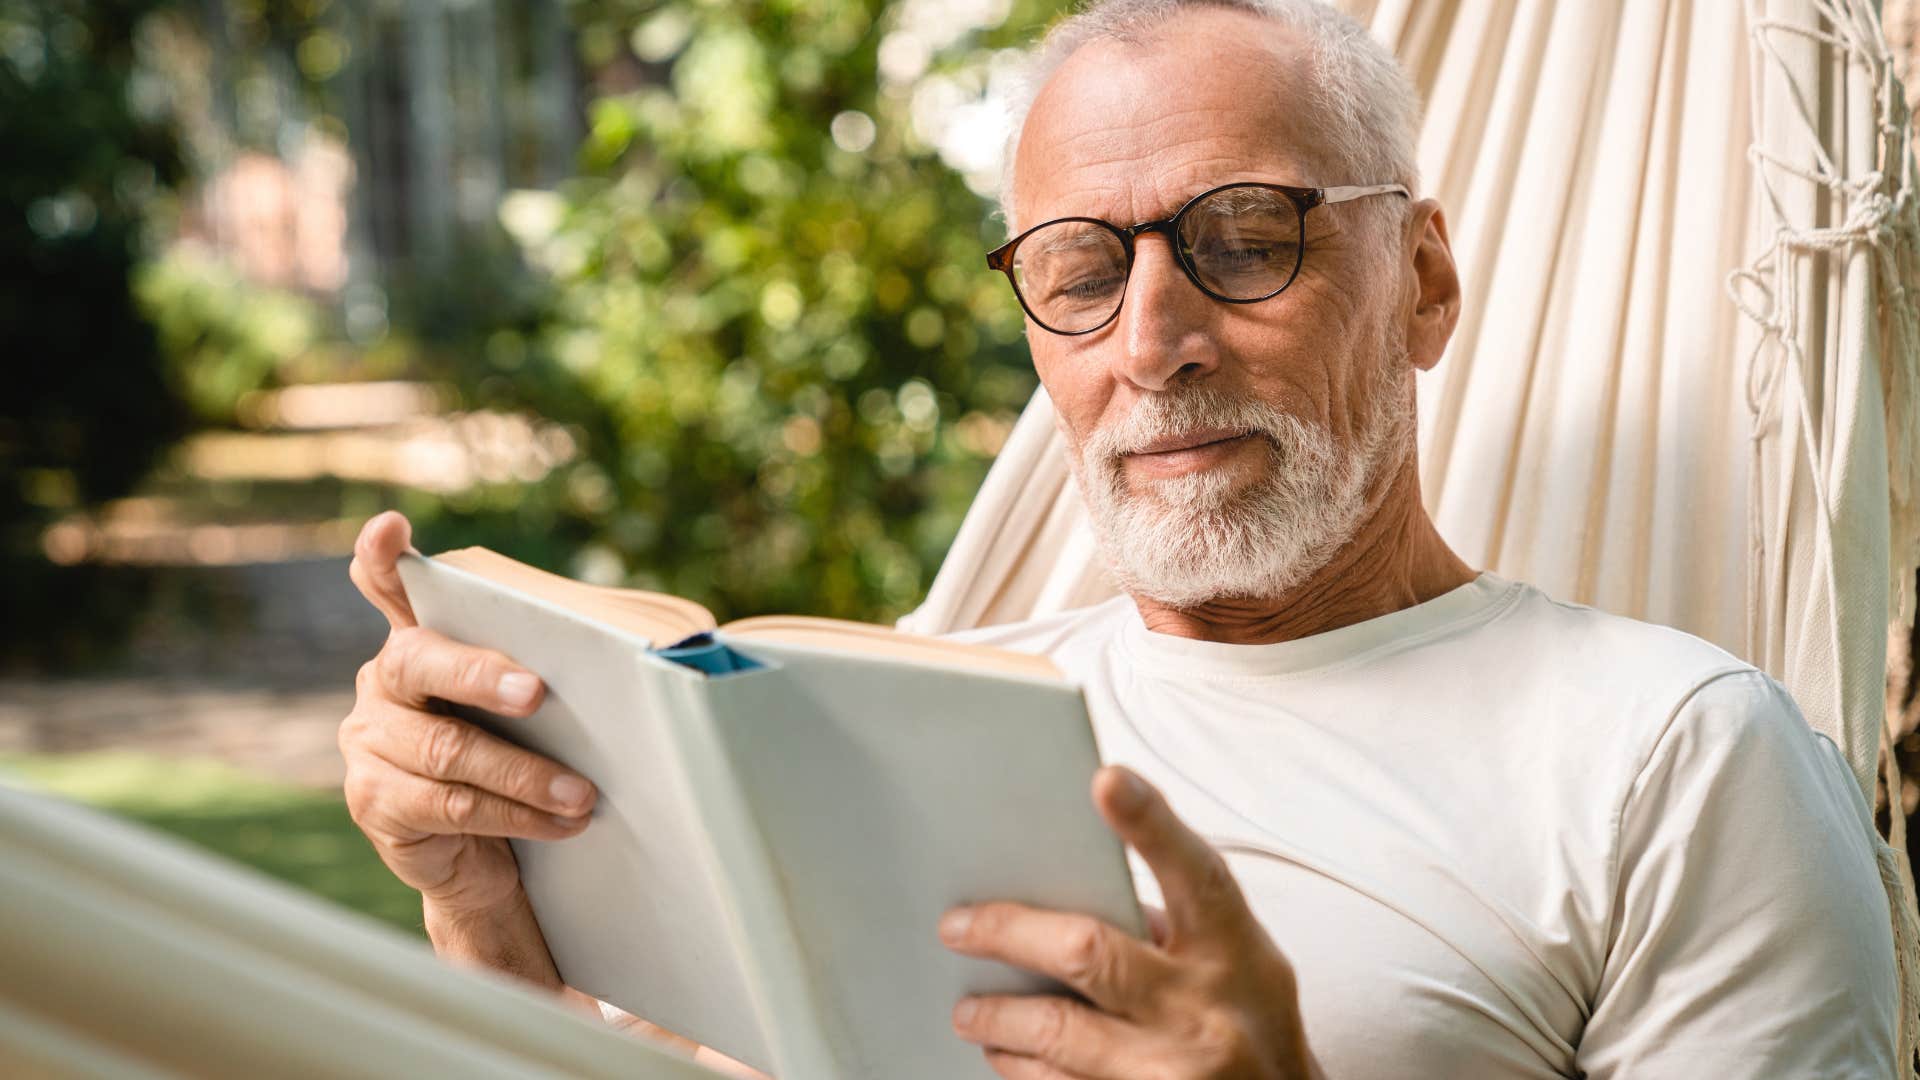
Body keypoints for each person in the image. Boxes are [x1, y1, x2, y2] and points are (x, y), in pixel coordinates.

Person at [338, 1, 1899, 1076]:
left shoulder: (1676, 759)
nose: (1155, 340)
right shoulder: (933, 714)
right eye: (1081, 269)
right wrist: (483, 909)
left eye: (1244, 241)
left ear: (1423, 281)